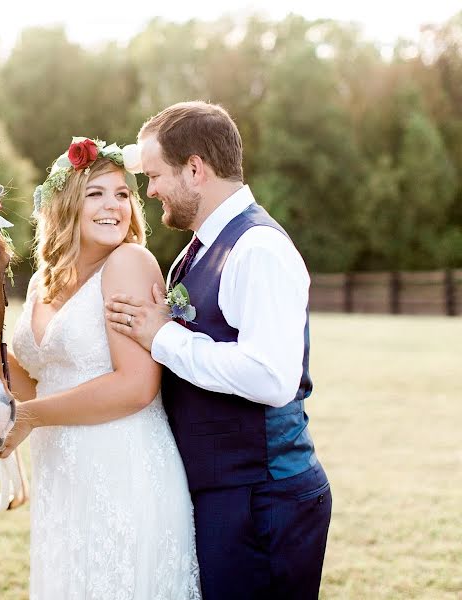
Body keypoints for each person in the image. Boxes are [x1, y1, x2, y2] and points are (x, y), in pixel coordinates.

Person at [105, 101, 332, 599]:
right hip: (223, 493)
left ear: (194, 169)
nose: (152, 190)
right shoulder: (197, 249)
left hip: (263, 498)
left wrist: (162, 338)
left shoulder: (258, 250)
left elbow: (271, 379)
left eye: (157, 175)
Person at [0, 137, 201, 599]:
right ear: (65, 205)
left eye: (123, 194)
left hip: (122, 471)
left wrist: (28, 417)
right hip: (64, 480)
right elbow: (32, 378)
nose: (114, 206)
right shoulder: (41, 282)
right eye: (96, 193)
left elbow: (135, 386)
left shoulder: (129, 263)